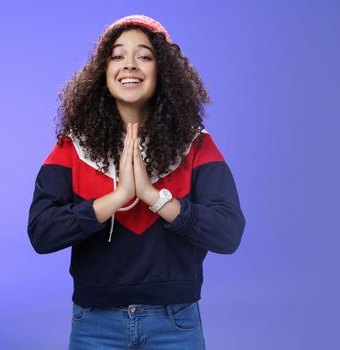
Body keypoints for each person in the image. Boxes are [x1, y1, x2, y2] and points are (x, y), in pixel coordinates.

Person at [26, 15, 246, 349]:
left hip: (175, 323)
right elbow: (42, 232)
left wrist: (154, 198)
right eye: (117, 56)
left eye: (144, 56)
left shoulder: (198, 145)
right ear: (104, 71)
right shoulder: (70, 148)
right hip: (94, 323)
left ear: (164, 71)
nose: (130, 65)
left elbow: (228, 233)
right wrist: (118, 198)